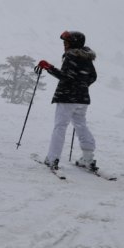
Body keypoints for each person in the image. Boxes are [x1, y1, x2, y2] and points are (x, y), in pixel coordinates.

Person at [36, 30, 97, 170]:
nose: (64, 45)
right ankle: (88, 158)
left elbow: (65, 77)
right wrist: (81, 85)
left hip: (67, 98)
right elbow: (93, 77)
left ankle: (52, 159)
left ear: (73, 43)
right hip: (82, 99)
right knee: (81, 125)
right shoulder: (87, 58)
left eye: (66, 42)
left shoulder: (71, 56)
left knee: (60, 126)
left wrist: (49, 68)